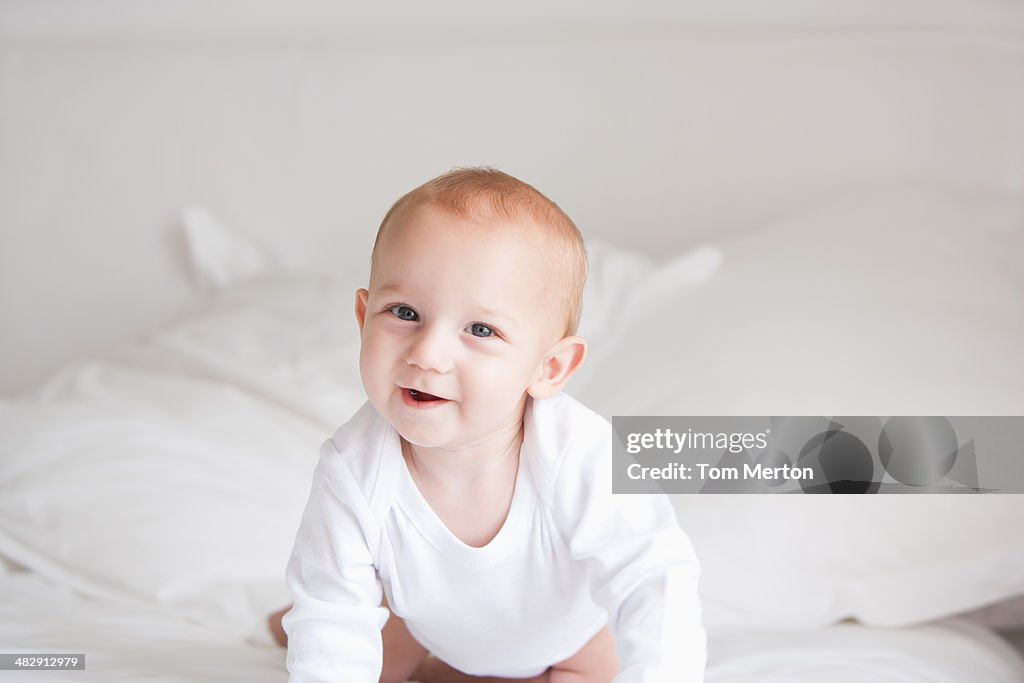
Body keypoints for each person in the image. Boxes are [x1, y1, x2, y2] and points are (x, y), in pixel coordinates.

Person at [271, 167, 707, 683]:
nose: (427, 353)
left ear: (550, 369)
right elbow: (333, 612)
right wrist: (325, 623)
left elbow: (652, 577)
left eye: (481, 329)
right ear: (364, 319)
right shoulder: (354, 467)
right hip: (426, 624)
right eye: (404, 312)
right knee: (331, 632)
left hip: (569, 644)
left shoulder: (580, 454)